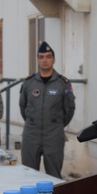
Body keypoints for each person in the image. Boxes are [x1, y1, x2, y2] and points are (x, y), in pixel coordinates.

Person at [19, 41, 75, 178]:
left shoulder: (63, 83)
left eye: (48, 57)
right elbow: (23, 106)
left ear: (54, 60)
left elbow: (70, 109)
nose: (45, 60)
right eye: (41, 57)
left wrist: (56, 124)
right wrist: (33, 122)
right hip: (31, 133)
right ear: (38, 59)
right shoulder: (29, 83)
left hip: (54, 135)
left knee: (54, 176)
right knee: (28, 175)